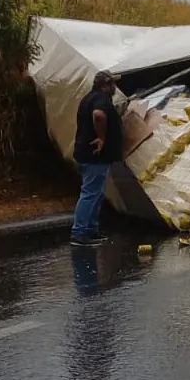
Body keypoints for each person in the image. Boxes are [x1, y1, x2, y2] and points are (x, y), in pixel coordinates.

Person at [71, 70, 123, 247]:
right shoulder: (101, 100)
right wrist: (102, 138)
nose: (115, 88)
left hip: (88, 154)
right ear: (105, 86)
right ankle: (79, 233)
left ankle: (91, 231)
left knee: (97, 193)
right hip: (94, 156)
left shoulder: (88, 98)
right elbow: (99, 115)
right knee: (90, 193)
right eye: (112, 84)